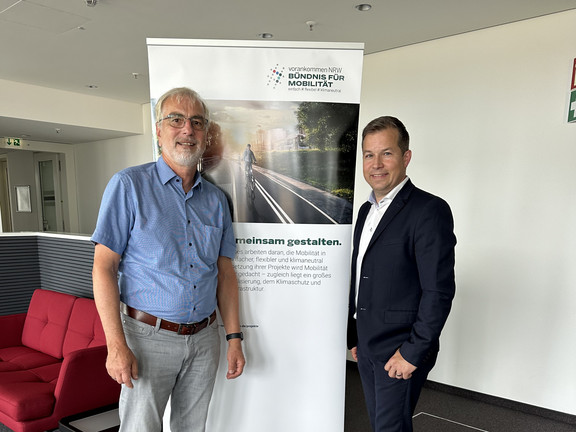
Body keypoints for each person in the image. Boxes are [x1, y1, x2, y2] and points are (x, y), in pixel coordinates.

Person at [91, 87, 245, 432]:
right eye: (175, 119)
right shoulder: (128, 186)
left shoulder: (216, 201)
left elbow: (225, 273)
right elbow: (103, 267)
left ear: (205, 135)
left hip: (205, 340)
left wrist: (234, 338)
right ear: (158, 131)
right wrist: (115, 346)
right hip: (146, 338)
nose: (187, 130)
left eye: (196, 122)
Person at [347, 116, 456, 432]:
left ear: (406, 157)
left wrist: (411, 352)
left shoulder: (429, 210)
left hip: (401, 348)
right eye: (369, 154)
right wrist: (357, 335)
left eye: (387, 153)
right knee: (383, 425)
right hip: (368, 343)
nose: (376, 164)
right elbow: (363, 274)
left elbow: (439, 291)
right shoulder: (366, 210)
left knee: (389, 428)